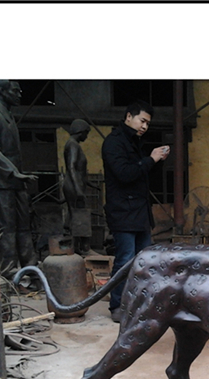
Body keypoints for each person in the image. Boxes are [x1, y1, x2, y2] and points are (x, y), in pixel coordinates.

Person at [102, 100, 170, 322]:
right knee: (125, 260)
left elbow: (143, 175)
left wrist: (157, 161)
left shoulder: (135, 143)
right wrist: (150, 159)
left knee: (145, 263)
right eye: (142, 121)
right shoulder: (114, 143)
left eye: (147, 123)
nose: (144, 126)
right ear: (128, 116)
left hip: (140, 213)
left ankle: (139, 304)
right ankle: (117, 305)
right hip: (122, 212)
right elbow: (124, 174)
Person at [0, 80, 38, 281]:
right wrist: (13, 171)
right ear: (2, 90)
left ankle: (30, 268)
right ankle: (9, 270)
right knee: (7, 228)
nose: (20, 93)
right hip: (3, 181)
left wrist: (18, 174)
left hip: (16, 181)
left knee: (24, 225)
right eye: (16, 90)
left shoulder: (7, 113)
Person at [63, 119, 98, 254]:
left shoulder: (73, 144)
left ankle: (77, 247)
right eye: (86, 133)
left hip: (75, 184)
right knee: (79, 216)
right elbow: (71, 167)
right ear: (81, 132)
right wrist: (78, 189)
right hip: (73, 186)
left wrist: (90, 184)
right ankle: (83, 248)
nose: (86, 137)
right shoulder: (73, 144)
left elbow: (80, 171)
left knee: (75, 215)